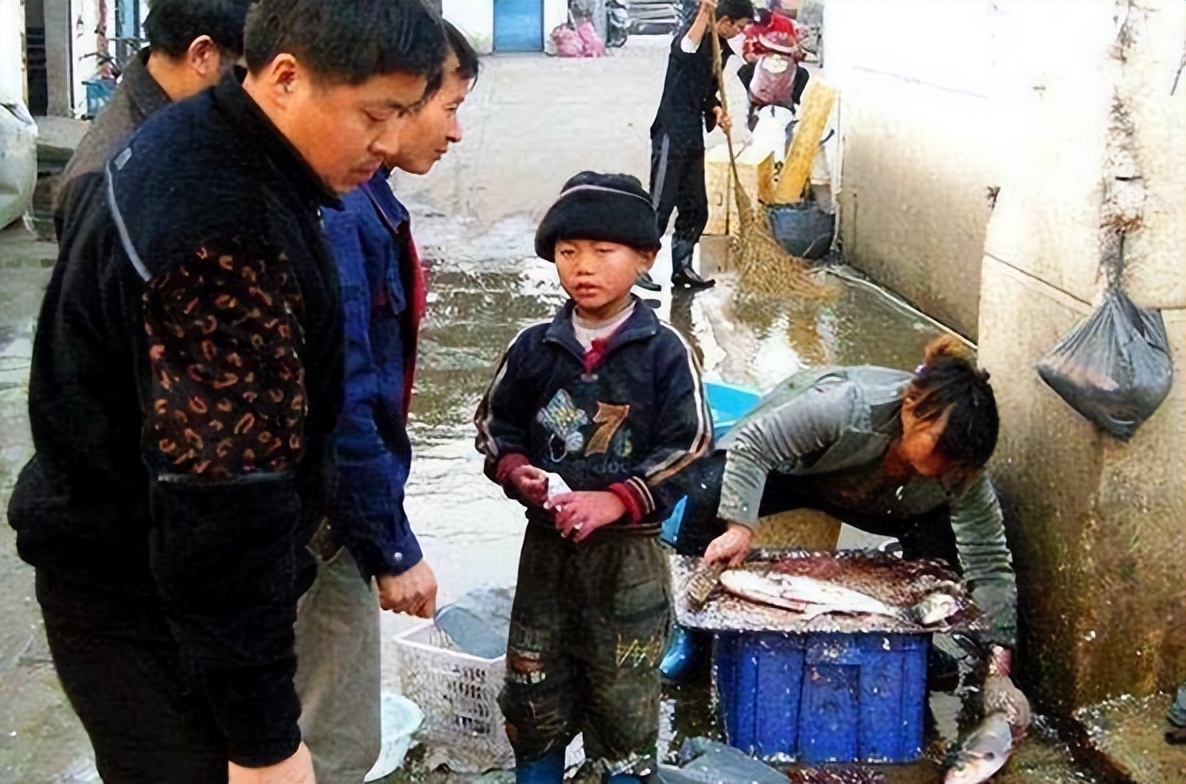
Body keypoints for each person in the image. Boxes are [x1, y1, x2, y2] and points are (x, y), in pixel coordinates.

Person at [6, 1, 446, 782]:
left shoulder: (212, 137)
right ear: (284, 77)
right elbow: (223, 506)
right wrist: (264, 743)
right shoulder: (223, 233)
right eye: (377, 114)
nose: (387, 143)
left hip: (138, 566)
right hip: (139, 595)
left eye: (408, 112)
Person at [475, 172, 713, 783]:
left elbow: (690, 445)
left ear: (646, 258)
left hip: (628, 564)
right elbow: (493, 423)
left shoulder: (665, 352)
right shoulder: (534, 348)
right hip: (546, 559)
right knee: (534, 696)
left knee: (624, 705)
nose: (584, 267)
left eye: (605, 252)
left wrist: (618, 499)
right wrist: (514, 469)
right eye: (568, 252)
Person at [297, 21, 479, 782]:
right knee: (334, 739)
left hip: (325, 509)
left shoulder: (364, 196)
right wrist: (390, 544)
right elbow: (346, 395)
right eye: (450, 105)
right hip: (321, 518)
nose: (457, 132)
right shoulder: (341, 210)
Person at [689, 337, 1031, 731]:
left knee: (942, 542)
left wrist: (1000, 665)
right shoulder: (847, 405)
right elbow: (753, 445)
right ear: (911, 408)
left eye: (956, 462)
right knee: (707, 489)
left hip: (880, 502)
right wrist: (739, 526)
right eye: (941, 450)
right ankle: (694, 641)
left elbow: (989, 561)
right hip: (796, 473)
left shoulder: (959, 471)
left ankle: (916, 645)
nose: (947, 467)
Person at [53, 0, 254, 238]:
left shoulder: (188, 119)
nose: (249, 89)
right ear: (202, 55)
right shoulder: (107, 178)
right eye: (241, 74)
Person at [638, 0, 755, 293]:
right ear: (725, 20)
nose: (740, 33)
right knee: (660, 205)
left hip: (692, 134)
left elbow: (707, 92)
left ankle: (683, 268)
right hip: (670, 132)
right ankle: (638, 267)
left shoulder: (720, 51)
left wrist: (715, 109)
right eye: (738, 27)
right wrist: (704, 12)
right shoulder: (692, 37)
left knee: (696, 207)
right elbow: (685, 52)